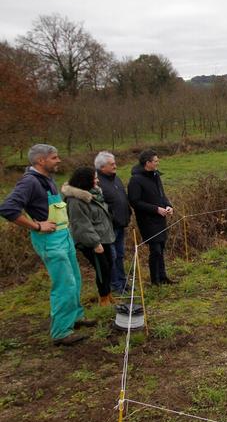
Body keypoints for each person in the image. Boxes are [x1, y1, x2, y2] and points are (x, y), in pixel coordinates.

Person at [0, 144, 94, 346]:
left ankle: (75, 317)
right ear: (41, 160)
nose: (58, 160)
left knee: (75, 279)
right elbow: (8, 209)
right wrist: (36, 225)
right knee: (64, 284)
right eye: (54, 157)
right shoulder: (29, 182)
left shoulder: (47, 180)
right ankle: (61, 332)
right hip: (50, 240)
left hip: (63, 236)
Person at [62, 167, 116, 306]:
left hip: (104, 237)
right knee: (101, 268)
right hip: (92, 242)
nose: (98, 180)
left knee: (108, 265)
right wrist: (95, 244)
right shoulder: (75, 201)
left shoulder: (95, 193)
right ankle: (103, 298)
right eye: (95, 178)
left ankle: (108, 294)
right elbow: (81, 225)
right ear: (86, 181)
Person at [127, 149, 176, 285]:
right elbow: (134, 202)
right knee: (155, 250)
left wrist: (168, 205)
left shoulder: (155, 176)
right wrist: (155, 209)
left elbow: (162, 194)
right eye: (155, 161)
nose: (157, 163)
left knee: (161, 247)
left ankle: (163, 277)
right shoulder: (136, 180)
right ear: (147, 163)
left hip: (161, 218)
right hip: (147, 221)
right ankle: (155, 280)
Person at [95, 151, 131, 294]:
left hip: (121, 225)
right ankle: (115, 285)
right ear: (102, 167)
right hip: (108, 228)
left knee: (120, 255)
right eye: (112, 164)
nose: (115, 166)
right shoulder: (98, 182)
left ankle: (122, 282)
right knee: (112, 256)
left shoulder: (115, 179)